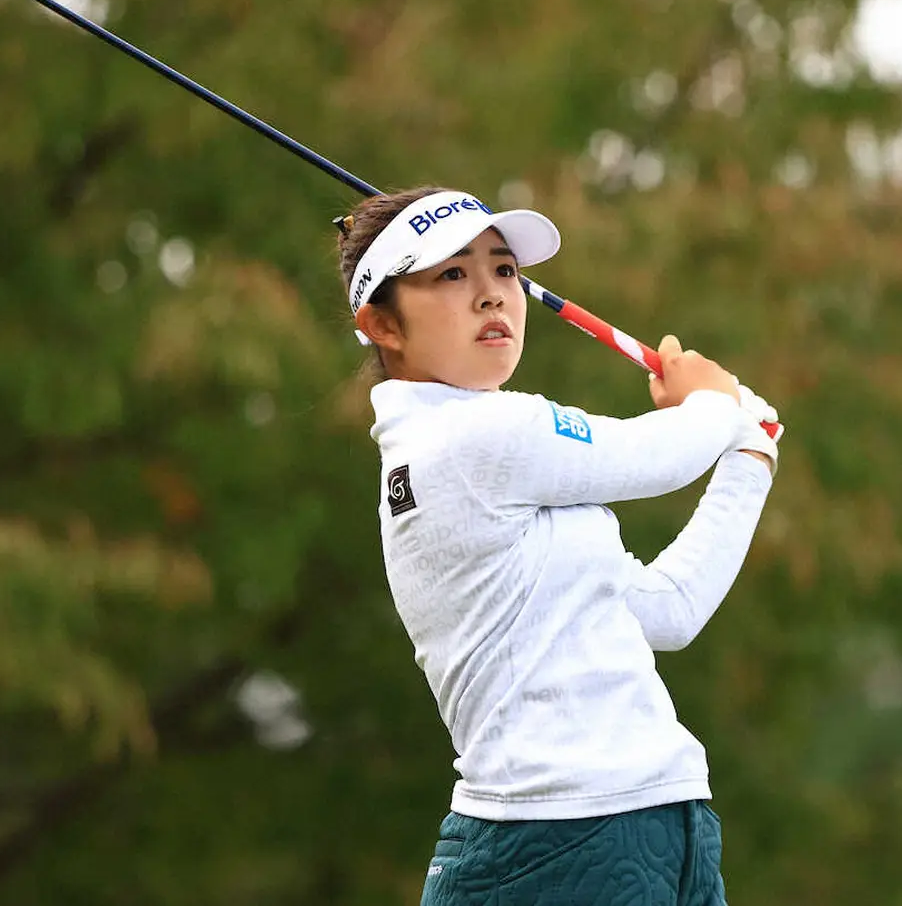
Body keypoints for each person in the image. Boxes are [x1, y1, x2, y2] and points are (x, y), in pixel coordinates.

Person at [332, 186, 781, 906]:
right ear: (383, 324)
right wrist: (712, 401)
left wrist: (748, 458)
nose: (490, 294)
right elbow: (658, 455)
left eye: (504, 269)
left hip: (658, 817)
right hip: (556, 835)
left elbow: (669, 610)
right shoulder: (471, 437)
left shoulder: (490, 461)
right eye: (453, 273)